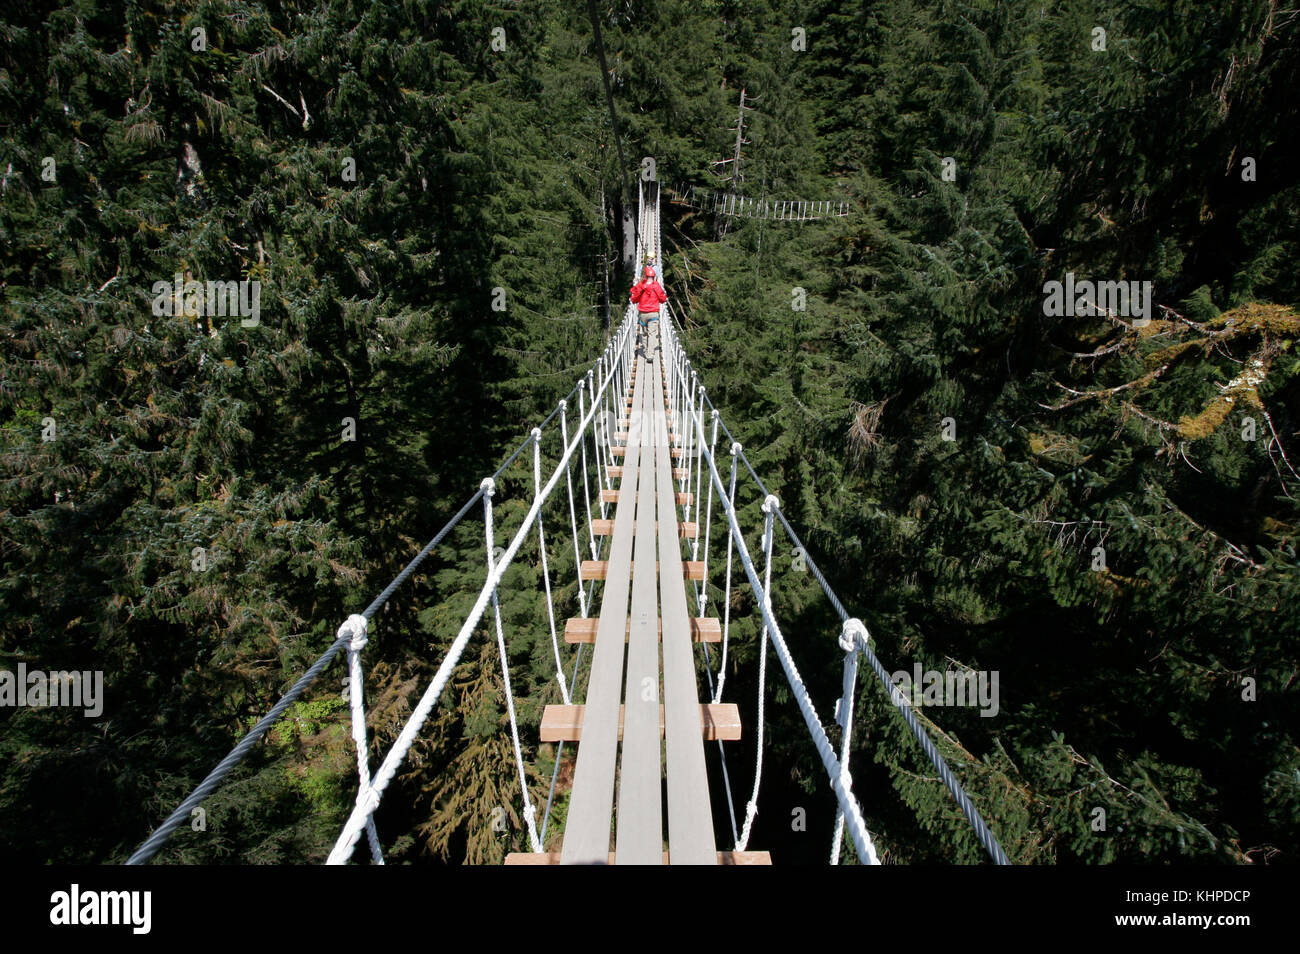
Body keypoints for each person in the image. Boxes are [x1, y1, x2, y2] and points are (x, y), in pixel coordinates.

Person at [629, 264, 667, 352]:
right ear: (654, 276)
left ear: (645, 276)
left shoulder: (641, 285)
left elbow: (634, 298)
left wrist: (634, 298)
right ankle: (650, 354)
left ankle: (646, 350)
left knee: (645, 334)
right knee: (652, 334)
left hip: (643, 314)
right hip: (654, 313)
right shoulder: (657, 285)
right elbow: (662, 299)